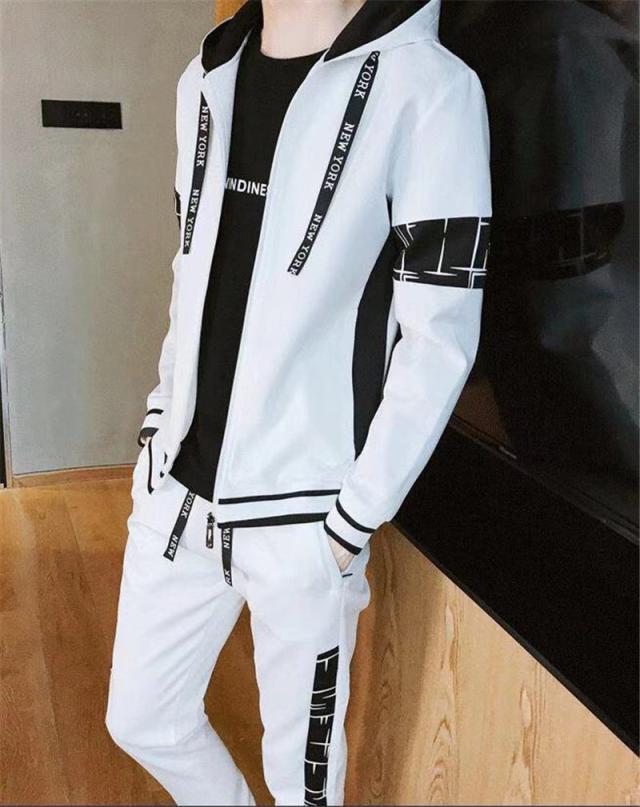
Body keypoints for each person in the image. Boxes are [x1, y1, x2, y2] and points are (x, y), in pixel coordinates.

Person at [105, 0, 491, 804]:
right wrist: (157, 425)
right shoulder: (205, 77)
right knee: (141, 718)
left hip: (303, 523)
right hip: (178, 497)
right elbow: (190, 274)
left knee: (303, 790)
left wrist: (348, 524)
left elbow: (439, 340)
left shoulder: (430, 89)